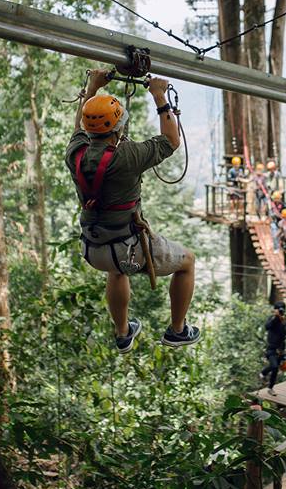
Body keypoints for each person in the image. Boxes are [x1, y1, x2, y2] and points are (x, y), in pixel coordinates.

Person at [65, 68, 200, 353]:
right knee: (187, 261)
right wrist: (159, 95)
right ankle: (178, 330)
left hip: (94, 249)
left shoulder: (75, 153)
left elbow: (78, 127)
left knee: (116, 272)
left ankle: (123, 332)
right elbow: (171, 142)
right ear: (118, 128)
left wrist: (92, 88)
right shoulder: (127, 156)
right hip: (128, 249)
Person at [260, 301, 286, 395]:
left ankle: (271, 388)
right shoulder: (272, 319)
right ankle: (263, 373)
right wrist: (276, 317)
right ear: (274, 310)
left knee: (275, 370)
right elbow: (267, 327)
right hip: (271, 348)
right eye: (278, 309)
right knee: (273, 365)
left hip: (280, 350)